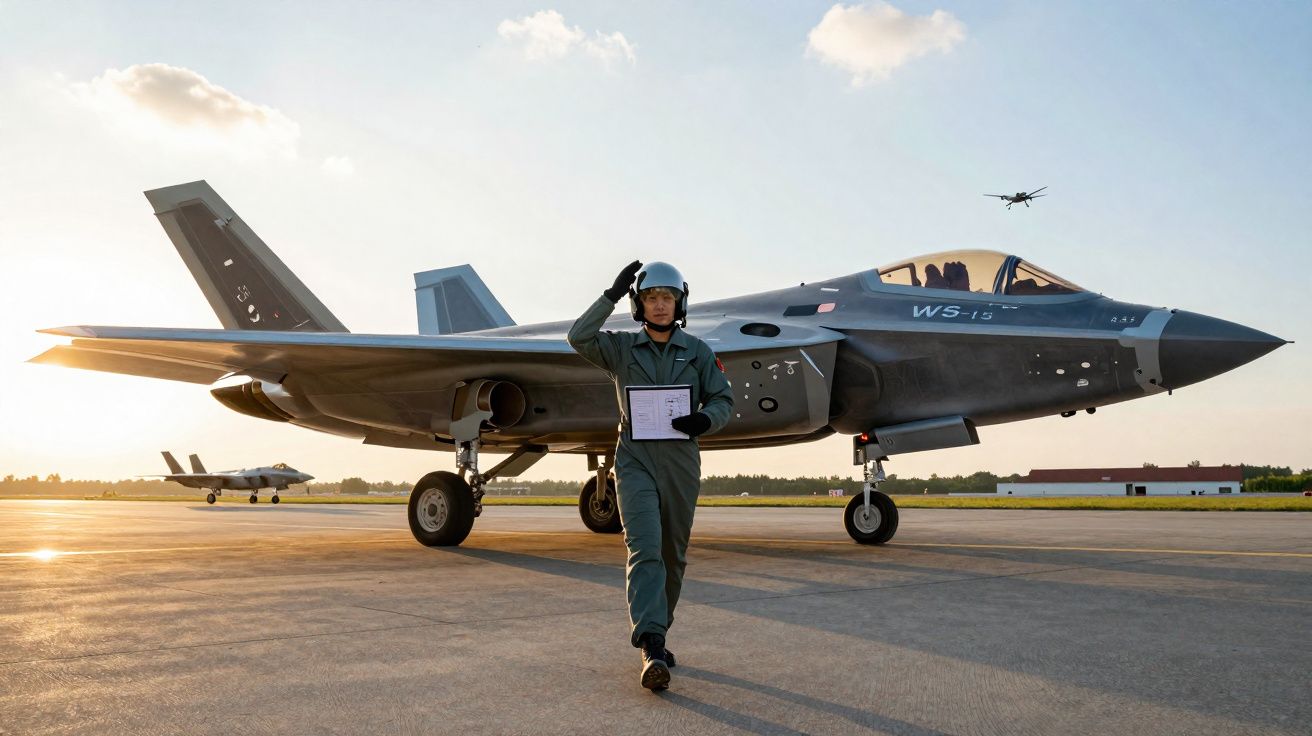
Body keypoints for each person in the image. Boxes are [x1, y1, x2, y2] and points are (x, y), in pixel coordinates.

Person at [567, 260, 734, 691]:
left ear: (679, 304)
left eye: (667, 298)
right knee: (644, 551)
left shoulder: (697, 351)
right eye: (650, 298)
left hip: (681, 462)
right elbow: (578, 337)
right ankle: (652, 645)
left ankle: (660, 629)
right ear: (639, 305)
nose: (660, 306)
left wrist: (704, 420)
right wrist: (610, 294)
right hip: (634, 461)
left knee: (672, 554)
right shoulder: (621, 348)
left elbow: (723, 400)